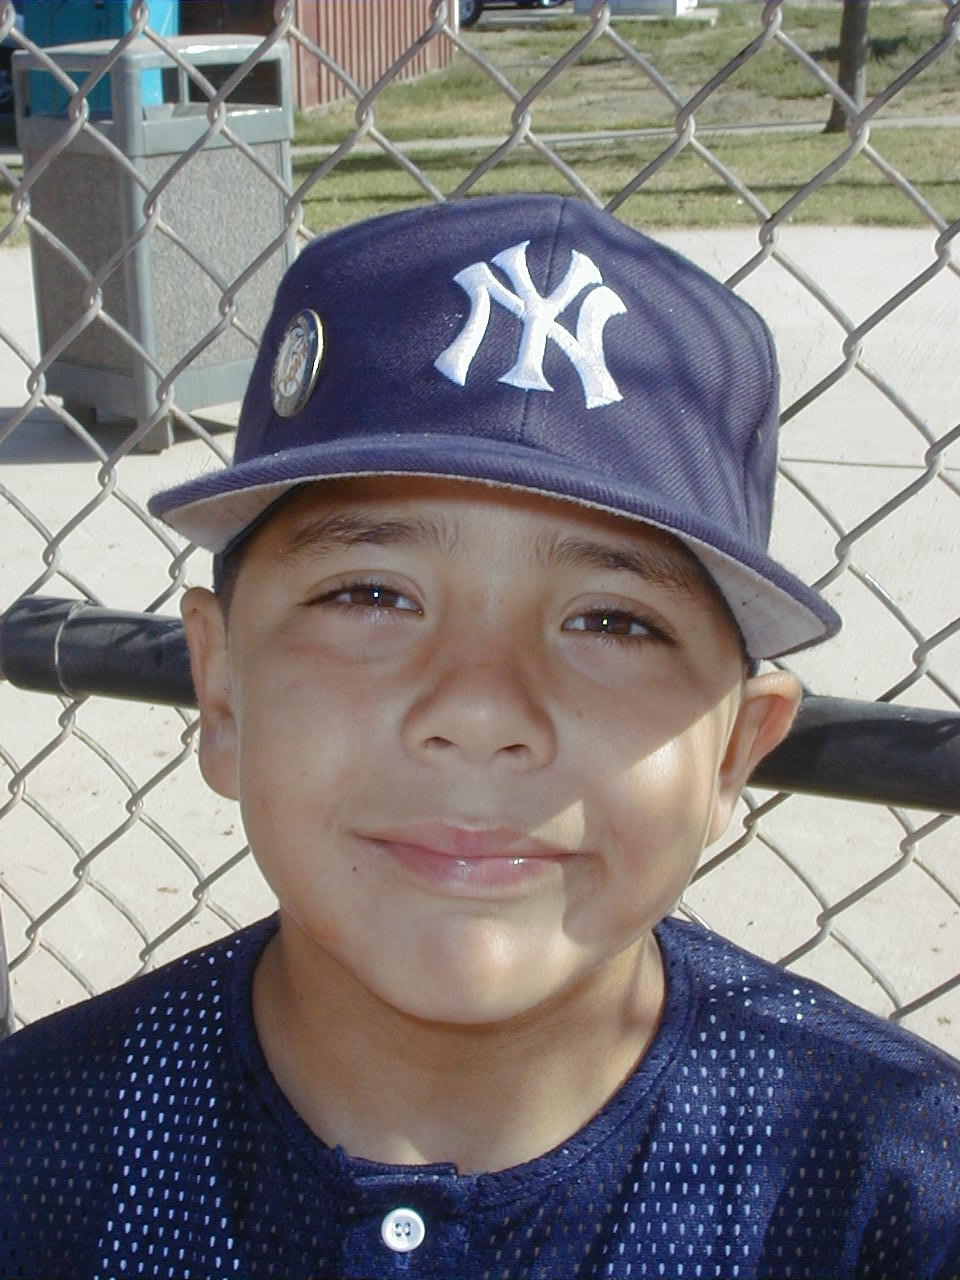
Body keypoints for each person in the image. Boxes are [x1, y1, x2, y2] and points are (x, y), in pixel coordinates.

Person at [1, 195, 957, 1279]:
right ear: (222, 691)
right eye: (371, 593)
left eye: (613, 621)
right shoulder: (37, 1154)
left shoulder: (896, 1197)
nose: (482, 708)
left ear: (735, 749)